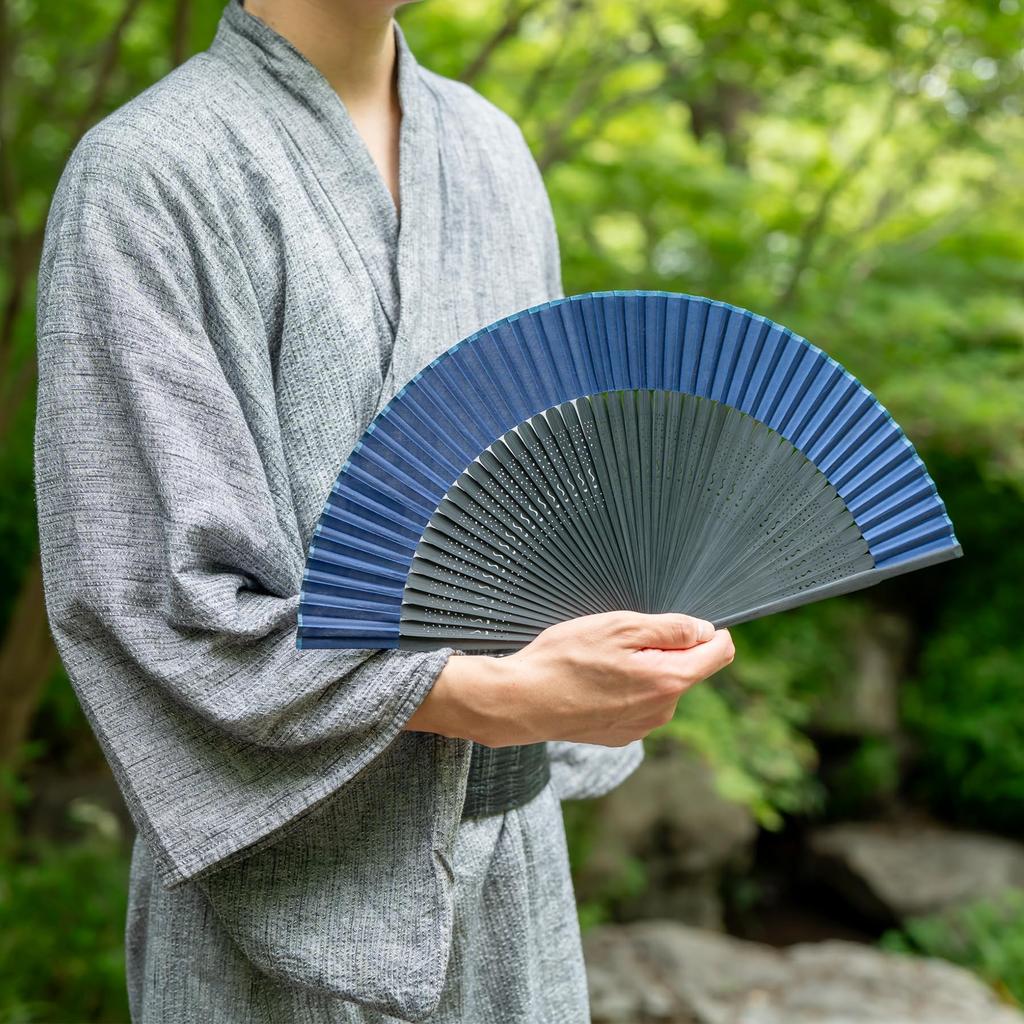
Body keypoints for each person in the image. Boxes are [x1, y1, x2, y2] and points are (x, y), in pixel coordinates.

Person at [33, 0, 736, 1020]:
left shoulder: (489, 151)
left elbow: (542, 498)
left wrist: (608, 652)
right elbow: (156, 598)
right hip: (277, 877)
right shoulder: (146, 171)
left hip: (514, 862)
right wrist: (490, 694)